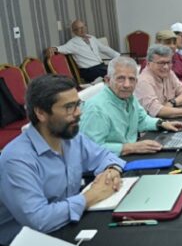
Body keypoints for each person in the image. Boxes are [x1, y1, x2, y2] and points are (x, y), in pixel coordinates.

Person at [0, 74, 125, 244]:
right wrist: (90, 197)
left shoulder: (71, 137)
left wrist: (111, 170)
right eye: (69, 107)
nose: (78, 113)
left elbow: (105, 155)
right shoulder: (16, 160)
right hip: (28, 239)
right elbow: (38, 220)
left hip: (66, 226)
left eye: (78, 104)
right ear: (41, 113)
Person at [80, 56, 182, 156]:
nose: (127, 85)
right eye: (121, 78)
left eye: (131, 79)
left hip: (127, 154)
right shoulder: (96, 108)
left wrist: (162, 124)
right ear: (107, 80)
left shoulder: (129, 97)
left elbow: (141, 120)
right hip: (106, 166)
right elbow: (90, 149)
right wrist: (131, 147)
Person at [134, 44, 182, 118]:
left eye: (168, 62)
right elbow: (157, 111)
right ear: (149, 64)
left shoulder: (169, 73)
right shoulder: (143, 81)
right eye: (161, 63)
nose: (166, 67)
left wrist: (172, 102)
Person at [46, 20, 120, 82]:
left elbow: (105, 49)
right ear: (74, 31)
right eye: (78, 28)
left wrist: (118, 56)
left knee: (119, 69)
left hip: (100, 67)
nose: (82, 29)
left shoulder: (92, 38)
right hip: (88, 71)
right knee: (115, 74)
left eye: (83, 27)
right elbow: (62, 48)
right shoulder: (73, 43)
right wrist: (53, 48)